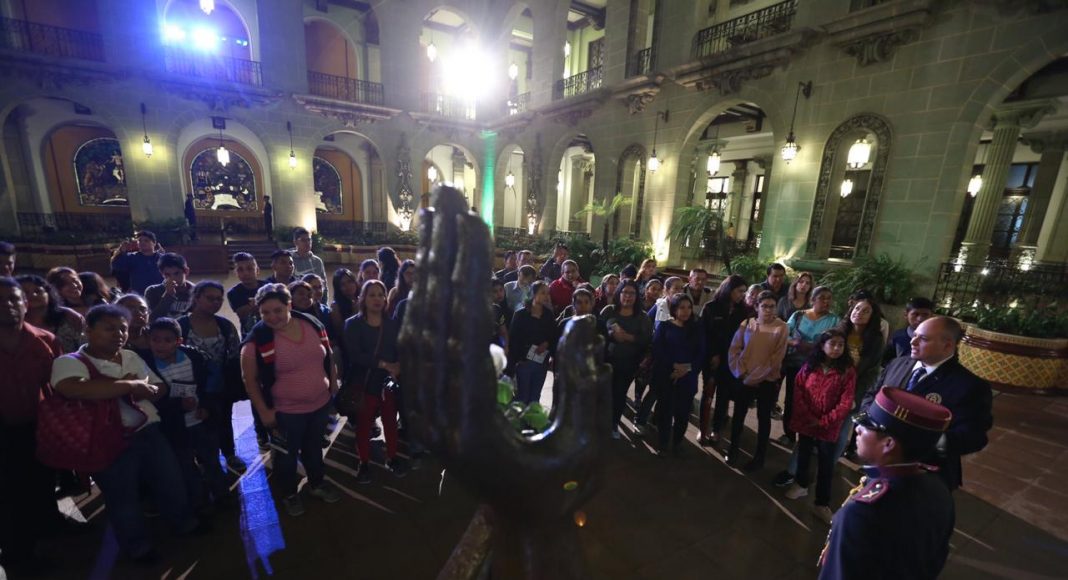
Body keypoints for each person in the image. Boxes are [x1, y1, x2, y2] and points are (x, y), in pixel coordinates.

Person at [51, 304, 200, 561]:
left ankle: (183, 523)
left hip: (149, 431)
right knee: (123, 498)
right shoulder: (69, 362)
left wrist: (113, 388)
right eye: (109, 328)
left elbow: (159, 389)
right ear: (88, 329)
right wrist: (131, 385)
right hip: (106, 440)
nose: (118, 334)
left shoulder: (130, 355)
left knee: (170, 481)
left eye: (122, 329)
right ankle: (137, 547)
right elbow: (75, 389)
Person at [818, 387, 955, 580]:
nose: (858, 428)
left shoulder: (861, 514)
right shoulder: (939, 489)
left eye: (868, 425)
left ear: (888, 444)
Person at [240, 284, 341, 516]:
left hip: (319, 404)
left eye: (277, 310)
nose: (272, 317)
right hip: (286, 412)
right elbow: (250, 380)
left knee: (313, 449)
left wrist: (333, 383)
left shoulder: (312, 323)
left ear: (289, 305)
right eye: (265, 312)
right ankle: (288, 493)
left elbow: (328, 355)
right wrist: (264, 412)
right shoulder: (257, 340)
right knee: (285, 456)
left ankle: (316, 483)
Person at [859, 316, 993, 491]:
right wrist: (871, 424)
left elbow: (974, 437)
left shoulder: (970, 386)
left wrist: (922, 440)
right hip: (881, 464)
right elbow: (871, 395)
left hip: (924, 476)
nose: (913, 342)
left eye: (923, 338)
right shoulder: (898, 363)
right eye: (914, 335)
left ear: (948, 346)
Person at [0, 278, 67, 574]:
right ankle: (17, 555)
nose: (8, 305)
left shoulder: (46, 340)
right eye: (0, 300)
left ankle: (49, 526)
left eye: (14, 299)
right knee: (9, 495)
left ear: (25, 304)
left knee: (41, 481)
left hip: (38, 425)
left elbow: (58, 384)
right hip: (3, 431)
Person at [143, 318, 229, 509]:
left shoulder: (194, 357)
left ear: (179, 341)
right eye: (155, 339)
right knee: (186, 466)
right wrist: (177, 405)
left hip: (201, 421)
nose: (160, 345)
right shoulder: (146, 365)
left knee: (211, 461)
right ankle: (200, 502)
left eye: (167, 340)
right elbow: (152, 398)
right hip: (174, 428)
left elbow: (209, 386)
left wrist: (206, 407)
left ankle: (222, 495)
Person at [784, 329, 856, 524]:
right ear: (822, 345)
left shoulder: (847, 371)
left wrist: (825, 420)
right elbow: (798, 390)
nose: (836, 348)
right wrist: (808, 416)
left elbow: (846, 402)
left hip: (829, 425)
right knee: (804, 453)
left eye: (840, 345)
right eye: (832, 344)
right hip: (807, 420)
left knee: (826, 462)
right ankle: (801, 484)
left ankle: (821, 503)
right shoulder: (810, 365)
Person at [344, 280, 409, 483]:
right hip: (364, 383)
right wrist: (384, 364)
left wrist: (398, 365)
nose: (377, 299)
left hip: (387, 382)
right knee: (364, 424)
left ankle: (392, 457)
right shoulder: (353, 324)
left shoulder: (392, 324)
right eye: (372, 295)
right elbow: (355, 355)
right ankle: (364, 462)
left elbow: (400, 348)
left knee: (390, 420)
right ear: (363, 298)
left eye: (381, 294)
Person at [176, 281, 245, 473]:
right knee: (196, 423)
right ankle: (204, 460)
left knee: (224, 419)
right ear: (196, 298)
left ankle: (229, 453)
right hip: (190, 385)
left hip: (220, 385)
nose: (215, 303)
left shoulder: (225, 326)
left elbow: (234, 356)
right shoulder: (181, 326)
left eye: (218, 299)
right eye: (210, 298)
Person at [726, 291, 788, 471]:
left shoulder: (781, 327)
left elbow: (776, 358)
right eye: (764, 306)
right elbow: (734, 349)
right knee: (739, 415)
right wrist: (740, 373)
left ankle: (759, 456)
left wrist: (754, 378)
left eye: (772, 306)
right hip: (744, 377)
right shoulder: (747, 324)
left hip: (766, 380)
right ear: (756, 307)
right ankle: (733, 449)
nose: (768, 310)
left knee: (764, 418)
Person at [777, 286, 840, 449]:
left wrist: (815, 347)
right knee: (791, 400)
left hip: (817, 369)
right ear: (812, 300)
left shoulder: (834, 321)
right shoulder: (798, 315)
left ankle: (809, 438)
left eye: (829, 298)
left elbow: (836, 342)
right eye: (822, 298)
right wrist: (795, 343)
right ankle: (789, 434)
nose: (826, 301)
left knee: (814, 403)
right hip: (794, 364)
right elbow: (785, 334)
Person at [651, 294, 706, 455]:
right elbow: (657, 349)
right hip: (667, 375)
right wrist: (673, 366)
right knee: (665, 412)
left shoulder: (696, 328)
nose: (686, 311)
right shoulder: (665, 326)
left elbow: (701, 352)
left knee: (682, 414)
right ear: (674, 309)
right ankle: (663, 443)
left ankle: (677, 443)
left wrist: (686, 369)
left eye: (689, 307)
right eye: (682, 307)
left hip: (687, 377)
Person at [698, 275, 748, 445]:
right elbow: (704, 334)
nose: (742, 295)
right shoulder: (710, 307)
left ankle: (716, 429)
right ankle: (702, 428)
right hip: (712, 360)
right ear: (729, 289)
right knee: (707, 394)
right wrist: (713, 354)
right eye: (739, 291)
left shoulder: (743, 311)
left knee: (723, 396)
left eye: (744, 292)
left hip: (731, 361)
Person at [600, 279, 653, 438]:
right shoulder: (609, 310)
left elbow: (646, 340)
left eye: (632, 293)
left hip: (629, 363)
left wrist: (628, 337)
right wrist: (611, 334)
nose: (628, 296)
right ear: (618, 293)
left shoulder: (642, 317)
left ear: (637, 296)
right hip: (606, 361)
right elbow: (597, 331)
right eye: (624, 292)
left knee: (619, 394)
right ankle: (600, 422)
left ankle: (613, 424)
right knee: (603, 393)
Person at [508, 280, 557, 405]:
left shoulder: (548, 315)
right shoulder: (520, 314)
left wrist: (546, 344)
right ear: (533, 294)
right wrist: (517, 360)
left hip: (541, 360)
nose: (546, 296)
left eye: (547, 293)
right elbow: (513, 338)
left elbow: (553, 335)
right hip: (523, 361)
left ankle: (532, 417)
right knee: (522, 396)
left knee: (535, 396)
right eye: (542, 293)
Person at [17, 274, 85, 354]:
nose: (33, 295)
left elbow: (86, 347)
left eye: (38, 291)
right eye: (25, 293)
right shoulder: (13, 322)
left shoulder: (69, 317)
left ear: (48, 293)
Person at [145, 253, 195, 321]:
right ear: (162, 274)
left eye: (177, 273)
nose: (173, 278)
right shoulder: (153, 291)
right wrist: (168, 295)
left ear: (186, 271)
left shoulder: (195, 292)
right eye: (167, 275)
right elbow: (152, 320)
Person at [227, 252, 267, 336]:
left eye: (250, 269)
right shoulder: (233, 293)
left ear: (257, 270)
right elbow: (242, 313)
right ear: (235, 273)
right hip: (249, 334)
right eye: (240, 270)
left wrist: (254, 305)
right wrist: (263, 303)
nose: (245, 273)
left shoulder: (268, 286)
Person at [884, 296, 935, 362]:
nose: (920, 319)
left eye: (925, 315)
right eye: (915, 314)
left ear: (931, 316)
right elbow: (886, 360)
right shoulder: (898, 336)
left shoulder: (936, 339)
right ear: (906, 315)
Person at [290, 228, 328, 303]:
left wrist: (324, 304)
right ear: (295, 242)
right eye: (303, 240)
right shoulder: (290, 261)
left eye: (309, 240)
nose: (307, 243)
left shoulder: (317, 261)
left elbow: (324, 285)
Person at [330, 268, 359, 347]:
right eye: (343, 284)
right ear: (338, 288)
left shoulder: (362, 298)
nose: (348, 286)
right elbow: (340, 331)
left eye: (350, 281)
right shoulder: (335, 306)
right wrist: (355, 312)